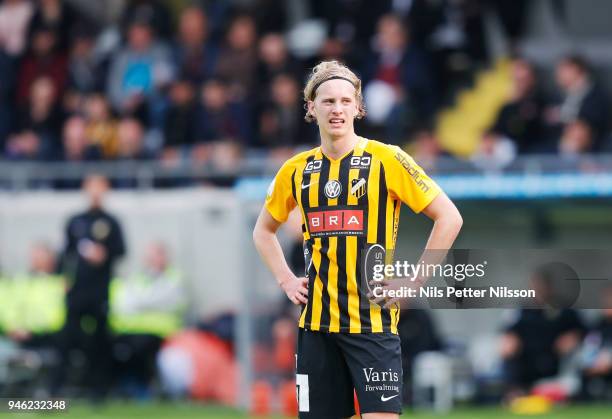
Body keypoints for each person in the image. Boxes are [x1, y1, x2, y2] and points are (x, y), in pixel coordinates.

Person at [252, 60, 462, 418]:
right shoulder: (296, 170)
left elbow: (449, 217)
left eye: (346, 101)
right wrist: (286, 278)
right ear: (310, 107)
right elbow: (263, 231)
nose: (337, 110)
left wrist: (414, 282)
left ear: (358, 107)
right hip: (316, 329)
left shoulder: (388, 159)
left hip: (372, 325)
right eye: (328, 101)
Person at [51, 174, 126, 397]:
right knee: (66, 339)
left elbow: (121, 251)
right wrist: (63, 277)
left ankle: (99, 392)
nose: (95, 192)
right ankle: (55, 391)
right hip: (77, 292)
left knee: (100, 342)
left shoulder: (111, 222)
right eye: (91, 187)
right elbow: (66, 253)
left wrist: (104, 255)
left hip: (99, 292)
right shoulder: (75, 220)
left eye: (99, 187)